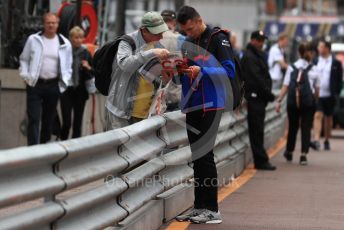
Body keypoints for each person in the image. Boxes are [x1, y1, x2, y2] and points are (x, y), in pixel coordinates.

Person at [175, 6, 236, 224]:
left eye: (190, 29)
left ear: (199, 21)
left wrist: (203, 70)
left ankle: (212, 209)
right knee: (196, 157)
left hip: (211, 104)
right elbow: (187, 70)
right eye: (185, 31)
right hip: (192, 103)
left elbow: (229, 72)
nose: (188, 34)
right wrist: (178, 68)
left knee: (205, 155)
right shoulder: (186, 41)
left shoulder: (218, 38)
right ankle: (199, 206)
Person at [106, 11, 170, 129]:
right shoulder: (127, 42)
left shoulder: (159, 46)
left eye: (162, 32)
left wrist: (167, 74)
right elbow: (125, 64)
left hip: (145, 111)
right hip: (122, 110)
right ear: (144, 30)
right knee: (123, 146)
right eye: (157, 33)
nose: (161, 37)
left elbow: (158, 78)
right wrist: (151, 53)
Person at [19, 12, 72, 145]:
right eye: (48, 22)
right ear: (44, 24)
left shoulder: (64, 43)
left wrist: (65, 80)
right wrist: (25, 76)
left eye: (53, 23)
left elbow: (68, 65)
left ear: (57, 25)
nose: (51, 25)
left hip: (53, 86)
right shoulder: (33, 40)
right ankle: (32, 149)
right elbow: (24, 59)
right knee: (34, 118)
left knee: (48, 120)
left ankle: (43, 148)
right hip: (35, 84)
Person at [276, 43, 320, 165]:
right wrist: (314, 100)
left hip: (293, 102)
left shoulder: (292, 67)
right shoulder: (315, 69)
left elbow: (285, 86)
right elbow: (317, 90)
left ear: (299, 53)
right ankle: (303, 155)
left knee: (293, 127)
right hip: (308, 103)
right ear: (311, 53)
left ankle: (289, 152)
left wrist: (279, 100)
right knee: (306, 128)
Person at [240, 30, 276, 170]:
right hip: (255, 98)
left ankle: (261, 160)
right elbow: (257, 79)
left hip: (259, 98)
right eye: (260, 40)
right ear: (253, 40)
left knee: (258, 130)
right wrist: (268, 94)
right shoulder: (250, 57)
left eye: (263, 40)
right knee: (256, 131)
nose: (262, 43)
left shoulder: (255, 55)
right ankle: (261, 161)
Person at [60, 26, 94, 140]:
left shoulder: (86, 53)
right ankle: (62, 143)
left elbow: (94, 71)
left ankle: (75, 148)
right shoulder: (64, 52)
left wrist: (87, 67)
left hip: (80, 90)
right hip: (66, 90)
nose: (78, 40)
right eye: (76, 37)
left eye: (80, 37)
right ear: (70, 38)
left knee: (77, 122)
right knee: (67, 122)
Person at [310, 40, 343, 151]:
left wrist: (336, 93)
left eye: (321, 47)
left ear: (327, 49)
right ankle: (316, 140)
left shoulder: (336, 63)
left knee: (328, 118)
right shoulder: (315, 61)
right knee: (318, 115)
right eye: (319, 46)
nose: (319, 48)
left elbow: (339, 79)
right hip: (318, 94)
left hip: (330, 95)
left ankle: (327, 140)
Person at [160, 9, 185, 112]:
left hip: (153, 94)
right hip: (174, 94)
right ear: (174, 22)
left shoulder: (151, 37)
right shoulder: (181, 39)